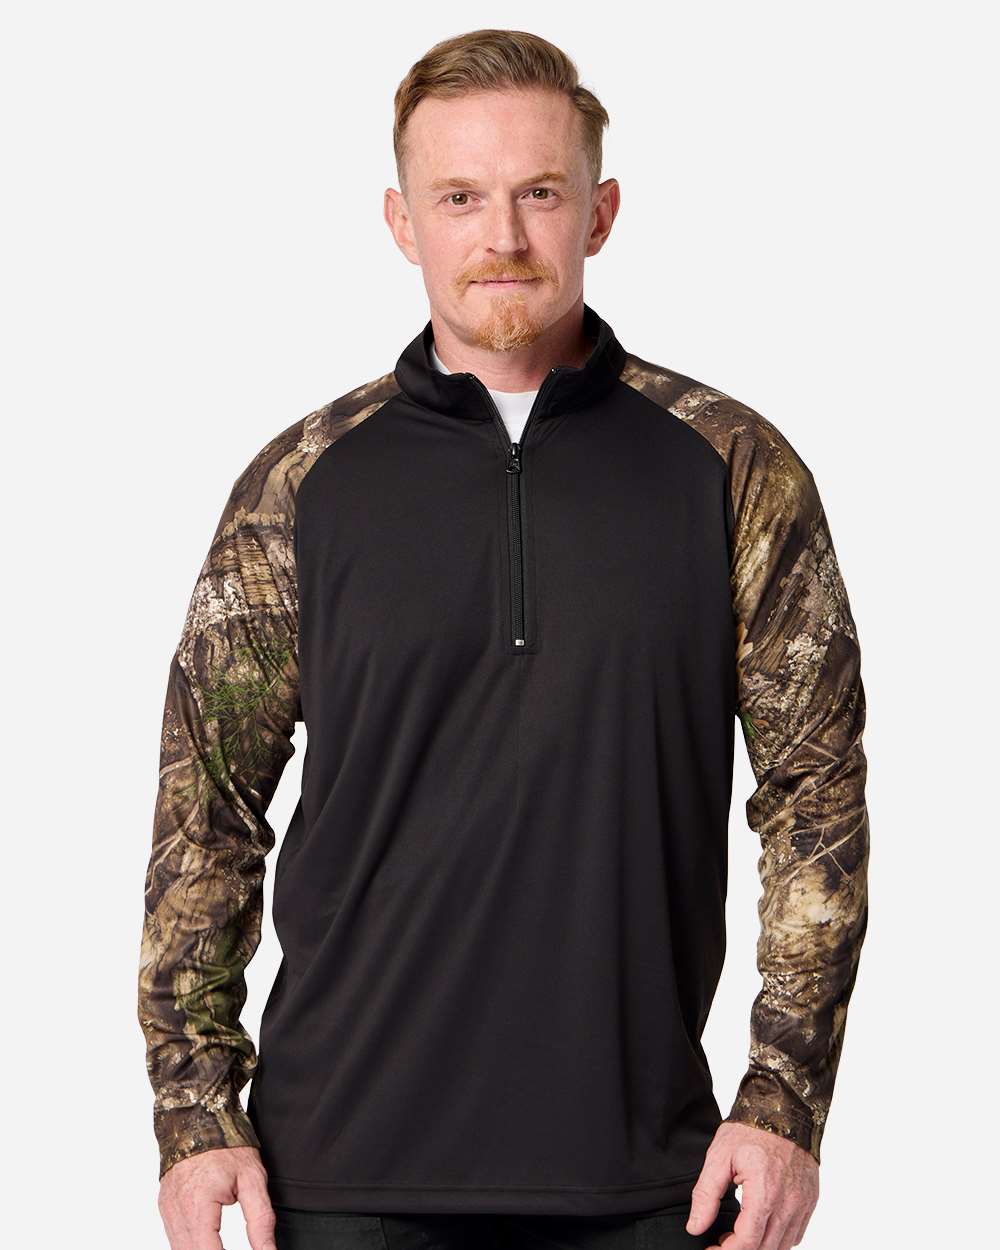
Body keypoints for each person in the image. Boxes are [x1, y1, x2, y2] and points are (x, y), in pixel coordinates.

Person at [137, 27, 870, 1250]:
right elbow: (205, 804)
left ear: (600, 212)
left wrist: (783, 1096)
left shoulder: (733, 470)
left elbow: (816, 795)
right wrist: (193, 1109)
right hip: (337, 1176)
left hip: (651, 1178)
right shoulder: (301, 484)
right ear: (401, 221)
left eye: (539, 192)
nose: (503, 236)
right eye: (459, 198)